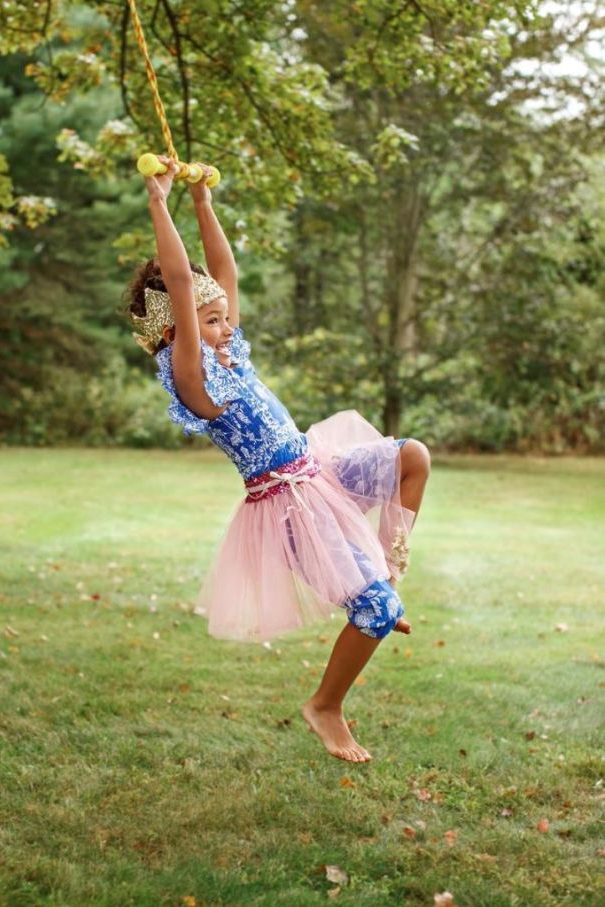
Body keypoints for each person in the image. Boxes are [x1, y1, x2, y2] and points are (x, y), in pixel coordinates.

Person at [126, 156, 431, 763]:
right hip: (288, 509)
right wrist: (159, 201)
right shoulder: (193, 379)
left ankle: (387, 573)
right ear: (172, 333)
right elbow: (186, 287)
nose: (223, 324)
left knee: (412, 457)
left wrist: (204, 203)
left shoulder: (228, 353)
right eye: (208, 321)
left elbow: (219, 273)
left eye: (220, 317)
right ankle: (325, 705)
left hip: (320, 473)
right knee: (374, 614)